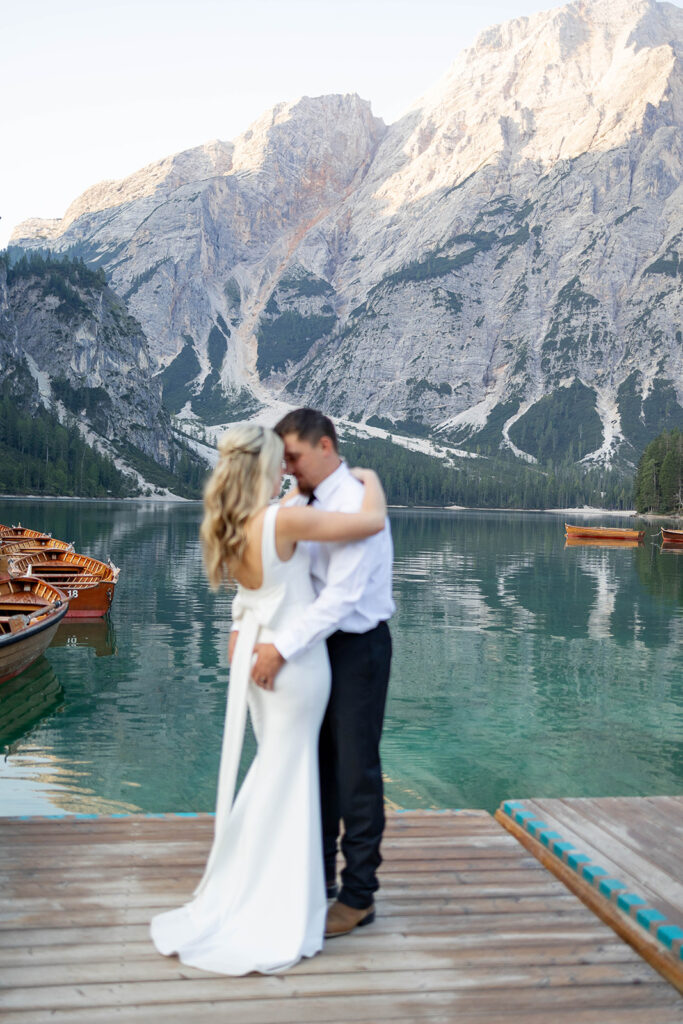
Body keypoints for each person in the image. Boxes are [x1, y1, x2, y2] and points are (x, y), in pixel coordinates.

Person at [149, 424, 387, 975]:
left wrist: (246, 632)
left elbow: (251, 595)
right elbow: (370, 522)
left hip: (268, 656)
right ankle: (289, 894)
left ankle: (302, 888)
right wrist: (372, 479)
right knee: (295, 773)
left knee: (288, 772)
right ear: (266, 468)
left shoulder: (235, 523)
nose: (289, 469)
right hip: (294, 663)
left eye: (294, 458)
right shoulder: (283, 516)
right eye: (282, 461)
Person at [251, 408, 394, 939]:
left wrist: (278, 649)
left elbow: (343, 597)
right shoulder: (300, 500)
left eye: (294, 456)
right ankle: (318, 881)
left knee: (356, 772)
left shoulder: (355, 500)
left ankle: (359, 897)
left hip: (357, 648)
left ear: (326, 446)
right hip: (314, 650)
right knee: (317, 766)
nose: (287, 468)